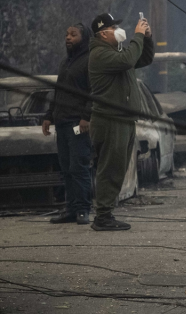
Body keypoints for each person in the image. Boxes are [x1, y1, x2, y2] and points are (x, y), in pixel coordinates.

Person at [89, 13, 154, 231]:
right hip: (110, 120)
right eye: (114, 27)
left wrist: (147, 39)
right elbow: (128, 59)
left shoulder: (115, 53)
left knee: (118, 167)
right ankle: (103, 216)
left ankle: (106, 213)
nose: (118, 30)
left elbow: (142, 59)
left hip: (123, 119)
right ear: (103, 33)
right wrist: (137, 35)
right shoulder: (100, 54)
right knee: (110, 168)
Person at [43, 23, 93, 225]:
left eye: (73, 34)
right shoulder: (66, 62)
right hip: (62, 123)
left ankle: (83, 209)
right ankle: (70, 209)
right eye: (66, 34)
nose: (68, 38)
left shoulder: (89, 61)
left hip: (77, 123)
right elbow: (58, 92)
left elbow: (93, 92)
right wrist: (49, 116)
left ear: (84, 38)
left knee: (78, 166)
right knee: (66, 168)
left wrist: (86, 117)